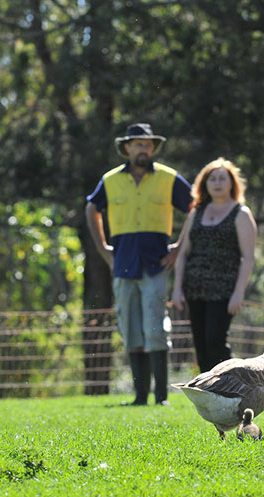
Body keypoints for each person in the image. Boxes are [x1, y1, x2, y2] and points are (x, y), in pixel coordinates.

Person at [85, 123, 192, 406]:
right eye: (137, 144)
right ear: (127, 148)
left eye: (147, 145)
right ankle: (139, 396)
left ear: (153, 148)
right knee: (130, 328)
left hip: (156, 264)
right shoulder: (110, 180)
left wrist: (179, 248)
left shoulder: (169, 178)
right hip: (122, 263)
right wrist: (104, 249)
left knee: (156, 327)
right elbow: (91, 208)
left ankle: (161, 397)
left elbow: (196, 206)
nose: (142, 149)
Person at [172, 158, 257, 372]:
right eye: (212, 179)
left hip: (223, 291)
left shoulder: (241, 214)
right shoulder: (195, 213)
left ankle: (232, 385)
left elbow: (248, 257)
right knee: (200, 345)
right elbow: (183, 253)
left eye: (222, 178)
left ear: (232, 183)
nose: (217, 183)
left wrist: (239, 293)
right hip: (195, 289)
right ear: (204, 184)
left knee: (215, 341)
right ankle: (207, 394)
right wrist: (177, 288)